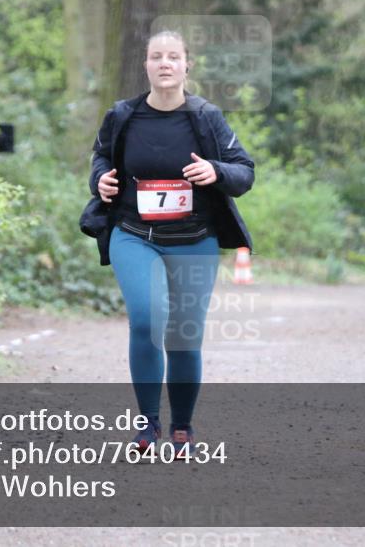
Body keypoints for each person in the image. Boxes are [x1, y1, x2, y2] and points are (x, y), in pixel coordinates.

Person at [82, 30, 255, 456]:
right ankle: (147, 426)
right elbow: (101, 158)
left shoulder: (205, 117)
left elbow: (244, 171)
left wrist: (216, 171)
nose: (164, 63)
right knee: (146, 319)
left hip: (195, 238)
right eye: (156, 56)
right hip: (134, 235)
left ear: (186, 65)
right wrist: (99, 180)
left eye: (173, 57)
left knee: (183, 335)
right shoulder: (122, 115)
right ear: (145, 65)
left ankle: (182, 427)